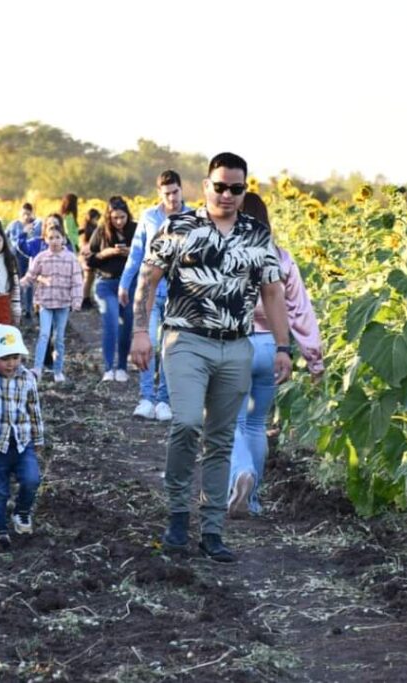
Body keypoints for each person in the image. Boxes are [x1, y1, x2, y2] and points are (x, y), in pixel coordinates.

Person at [131, 152, 291, 562]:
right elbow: (147, 279)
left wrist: (283, 347)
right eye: (220, 186)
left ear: (244, 190)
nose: (227, 194)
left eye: (236, 188)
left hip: (237, 345)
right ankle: (179, 516)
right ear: (205, 186)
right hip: (185, 340)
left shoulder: (257, 235)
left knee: (221, 438)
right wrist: (138, 332)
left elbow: (273, 292)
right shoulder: (179, 226)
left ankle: (213, 529)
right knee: (185, 424)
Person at [227, 192, 324, 518]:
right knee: (256, 425)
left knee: (231, 422)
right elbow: (300, 311)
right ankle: (251, 501)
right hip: (272, 347)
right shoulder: (281, 258)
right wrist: (314, 359)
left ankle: (240, 474)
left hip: (236, 345)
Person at [119, 170, 188, 421]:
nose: (172, 198)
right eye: (167, 193)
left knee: (170, 348)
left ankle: (164, 400)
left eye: (175, 192)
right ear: (160, 193)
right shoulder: (149, 217)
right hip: (149, 291)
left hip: (179, 294)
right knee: (147, 343)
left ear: (182, 190)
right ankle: (146, 397)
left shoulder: (193, 217)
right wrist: (124, 284)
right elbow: (137, 253)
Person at [0, 324, 44, 550]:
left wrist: (39, 439)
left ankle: (22, 511)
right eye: (5, 358)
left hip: (23, 443)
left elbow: (34, 409)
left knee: (32, 479)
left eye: (15, 357)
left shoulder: (27, 379)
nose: (11, 363)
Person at [19, 222, 83, 382]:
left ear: (63, 239)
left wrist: (77, 300)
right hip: (45, 302)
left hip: (63, 303)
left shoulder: (70, 259)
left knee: (59, 337)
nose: (54, 241)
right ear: (45, 240)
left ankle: (58, 370)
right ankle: (37, 369)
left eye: (57, 238)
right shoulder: (41, 257)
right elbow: (31, 275)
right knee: (44, 334)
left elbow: (77, 281)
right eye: (51, 238)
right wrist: (19, 284)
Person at [87, 197, 137, 382]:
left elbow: (148, 254)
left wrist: (131, 251)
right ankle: (109, 368)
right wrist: (104, 253)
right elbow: (89, 259)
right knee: (111, 322)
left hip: (129, 284)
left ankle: (122, 366)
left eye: (122, 217)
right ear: (109, 216)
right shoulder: (101, 231)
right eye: (115, 218)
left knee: (126, 325)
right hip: (105, 284)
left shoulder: (136, 229)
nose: (119, 221)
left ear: (127, 215)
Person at [6, 203, 42, 321]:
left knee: (30, 282)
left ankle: (29, 308)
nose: (26, 216)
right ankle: (18, 308)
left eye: (28, 214)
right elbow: (5, 237)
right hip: (16, 257)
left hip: (31, 257)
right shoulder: (14, 225)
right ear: (20, 213)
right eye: (24, 214)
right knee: (19, 281)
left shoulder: (37, 225)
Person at [78, 208, 101, 309]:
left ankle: (86, 298)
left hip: (85, 255)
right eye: (96, 218)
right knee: (88, 279)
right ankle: (84, 299)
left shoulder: (85, 227)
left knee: (88, 279)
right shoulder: (92, 228)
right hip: (89, 255)